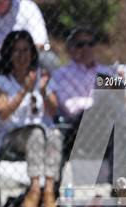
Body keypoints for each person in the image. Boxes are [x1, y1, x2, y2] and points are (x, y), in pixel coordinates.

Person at [0, 30, 61, 207]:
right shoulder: (0, 81)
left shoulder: (40, 77)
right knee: (36, 133)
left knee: (55, 134)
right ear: (8, 54)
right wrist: (24, 91)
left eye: (26, 50)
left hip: (40, 135)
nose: (22, 56)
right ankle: (35, 191)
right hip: (10, 137)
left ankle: (49, 193)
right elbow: (3, 112)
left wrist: (43, 91)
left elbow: (53, 112)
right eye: (17, 51)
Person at [49, 27, 117, 156]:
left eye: (90, 44)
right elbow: (71, 106)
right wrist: (98, 102)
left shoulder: (107, 72)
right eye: (80, 45)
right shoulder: (62, 74)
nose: (86, 48)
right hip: (79, 125)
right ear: (71, 48)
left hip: (111, 119)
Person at [0, 0, 56, 103]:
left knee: (49, 59)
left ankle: (45, 102)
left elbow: (42, 43)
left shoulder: (27, 7)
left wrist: (13, 49)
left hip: (24, 57)